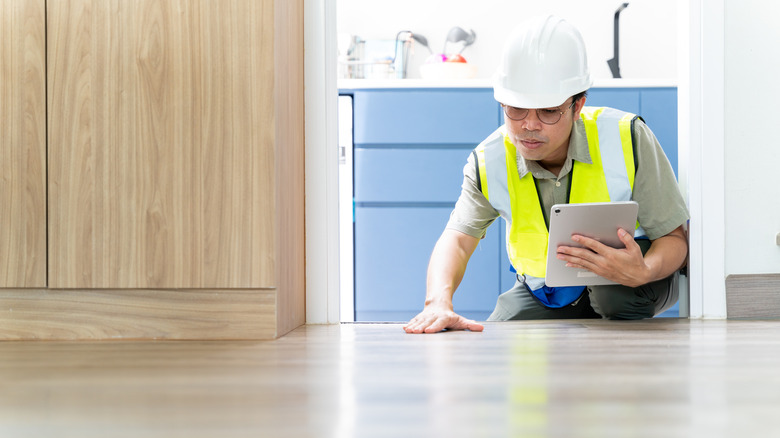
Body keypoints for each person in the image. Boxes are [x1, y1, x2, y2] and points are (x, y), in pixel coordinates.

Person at [403, 15, 689, 334]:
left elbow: (675, 239)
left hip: (632, 279)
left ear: (577, 106)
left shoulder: (627, 137)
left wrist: (644, 270)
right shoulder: (489, 160)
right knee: (499, 331)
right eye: (516, 109)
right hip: (545, 291)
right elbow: (456, 240)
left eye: (549, 111)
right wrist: (437, 303)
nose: (530, 125)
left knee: (613, 297)